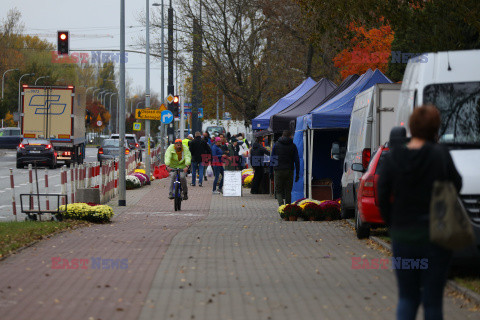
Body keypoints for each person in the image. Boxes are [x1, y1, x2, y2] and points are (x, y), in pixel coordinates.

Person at [377, 105, 462, 320]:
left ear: (411, 127)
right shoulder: (440, 155)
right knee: (433, 301)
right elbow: (457, 184)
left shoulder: (394, 158)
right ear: (435, 128)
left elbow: (382, 194)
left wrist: (392, 223)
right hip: (436, 238)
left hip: (403, 237)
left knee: (407, 297)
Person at [270, 130, 300, 206]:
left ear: (282, 136)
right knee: (288, 191)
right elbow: (297, 160)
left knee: (279, 190)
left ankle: (281, 206)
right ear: (290, 136)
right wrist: (297, 173)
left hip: (278, 170)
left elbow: (272, 159)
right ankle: (288, 208)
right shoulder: (293, 146)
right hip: (289, 170)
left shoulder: (276, 145)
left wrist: (271, 172)